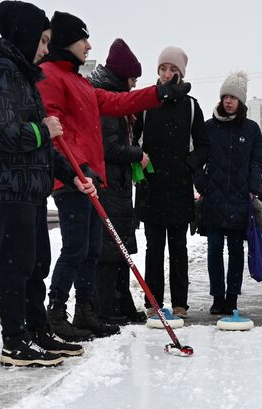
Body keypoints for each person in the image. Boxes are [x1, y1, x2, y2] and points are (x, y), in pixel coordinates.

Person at [37, 12, 189, 340]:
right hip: (73, 180)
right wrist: (77, 168)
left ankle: (86, 310)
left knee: (92, 250)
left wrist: (159, 93)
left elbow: (120, 102)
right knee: (75, 249)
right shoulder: (50, 75)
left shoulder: (81, 82)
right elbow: (55, 131)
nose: (89, 45)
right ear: (66, 40)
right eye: (83, 39)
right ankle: (57, 312)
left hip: (93, 183)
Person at [0, 0, 85, 367]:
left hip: (33, 184)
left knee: (37, 263)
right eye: (44, 40)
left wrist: (75, 175)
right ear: (27, 34)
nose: (46, 48)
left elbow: (44, 147)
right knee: (17, 263)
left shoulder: (22, 74)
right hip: (13, 183)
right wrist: (41, 128)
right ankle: (14, 339)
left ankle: (37, 330)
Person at [136, 46, 208, 321]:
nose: (167, 74)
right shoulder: (146, 102)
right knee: (153, 249)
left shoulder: (191, 106)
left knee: (178, 249)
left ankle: (180, 304)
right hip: (151, 188)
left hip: (179, 188)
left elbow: (203, 146)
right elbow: (133, 139)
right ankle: (153, 302)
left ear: (180, 74)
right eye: (163, 69)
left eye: (173, 70)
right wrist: (138, 157)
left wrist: (187, 165)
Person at [88, 39, 148, 326]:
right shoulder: (107, 101)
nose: (134, 84)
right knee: (111, 249)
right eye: (133, 78)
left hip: (119, 185)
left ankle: (121, 302)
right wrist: (138, 154)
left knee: (121, 248)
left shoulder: (115, 98)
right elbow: (108, 148)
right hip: (109, 184)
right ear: (123, 75)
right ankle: (107, 307)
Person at [196, 70, 262, 316]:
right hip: (213, 200)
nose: (228, 101)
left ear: (241, 101)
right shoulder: (207, 128)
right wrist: (202, 185)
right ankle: (217, 297)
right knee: (214, 249)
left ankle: (232, 298)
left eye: (233, 97)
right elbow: (196, 160)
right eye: (225, 96)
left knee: (236, 251)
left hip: (239, 201)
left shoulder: (252, 129)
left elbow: (257, 163)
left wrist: (252, 189)